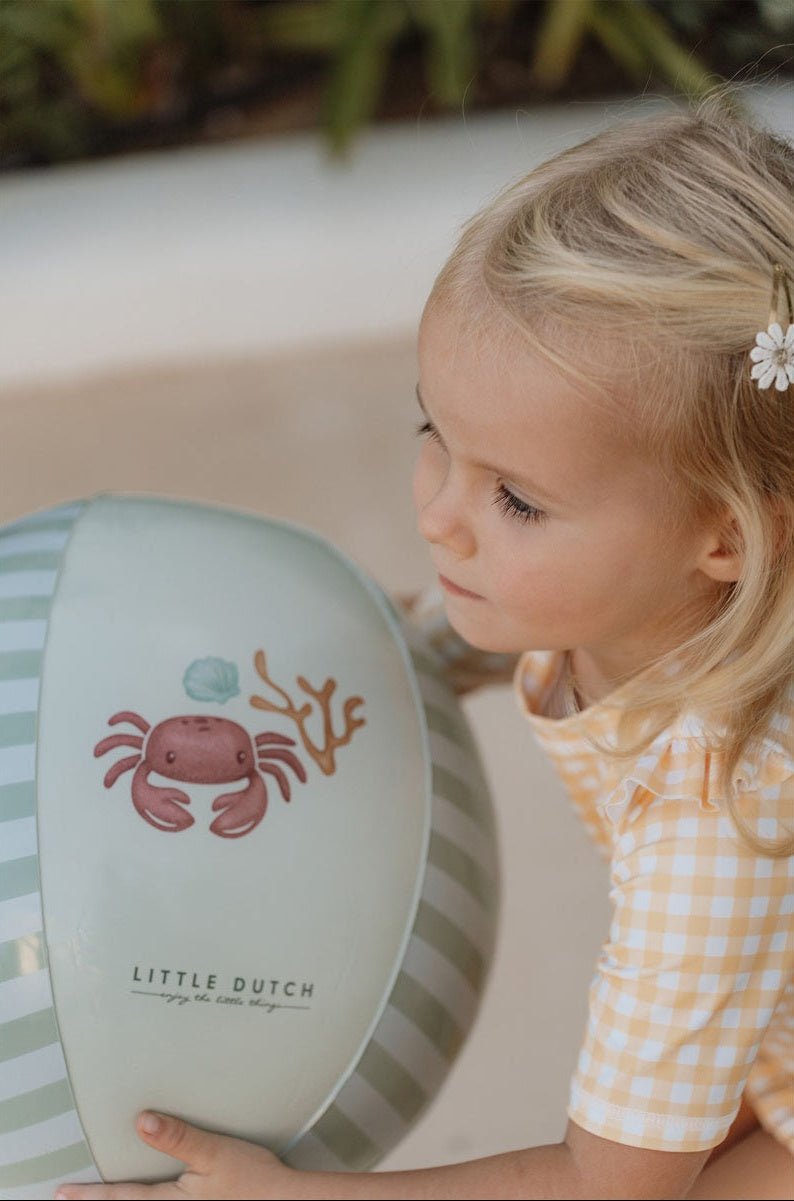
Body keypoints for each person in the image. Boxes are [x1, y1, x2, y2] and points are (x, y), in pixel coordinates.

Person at [56, 103, 793, 1201]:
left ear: (726, 538)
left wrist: (295, 1198)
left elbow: (608, 1184)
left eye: (516, 500)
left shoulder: (713, 820)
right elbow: (417, 644)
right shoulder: (635, 604)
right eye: (431, 437)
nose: (442, 518)